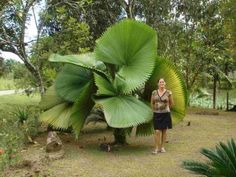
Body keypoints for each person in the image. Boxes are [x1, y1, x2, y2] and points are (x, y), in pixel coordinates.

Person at [151, 78, 174, 154]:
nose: (162, 83)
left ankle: (162, 147)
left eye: (163, 82)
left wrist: (166, 109)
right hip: (157, 114)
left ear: (165, 83)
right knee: (157, 131)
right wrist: (155, 109)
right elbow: (152, 103)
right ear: (158, 84)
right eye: (160, 82)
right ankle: (157, 148)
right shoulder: (154, 92)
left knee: (164, 130)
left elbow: (171, 103)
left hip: (165, 114)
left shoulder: (168, 93)